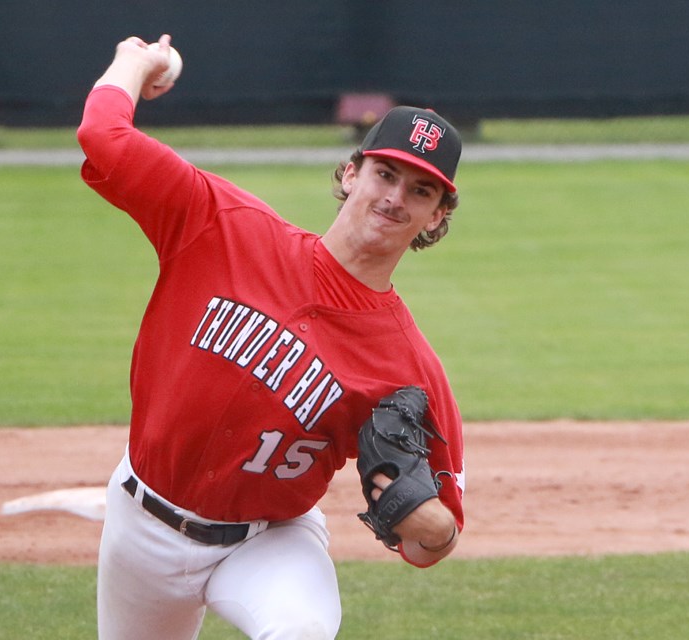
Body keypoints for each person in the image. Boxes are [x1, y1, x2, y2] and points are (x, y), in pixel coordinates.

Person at [77, 33, 466, 640]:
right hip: (143, 525)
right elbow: (104, 137)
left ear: (438, 214)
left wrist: (431, 525)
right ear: (351, 171)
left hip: (268, 543)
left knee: (301, 631)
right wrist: (133, 61)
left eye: (421, 190)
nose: (395, 198)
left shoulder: (410, 365)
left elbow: (432, 541)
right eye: (385, 173)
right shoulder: (223, 225)